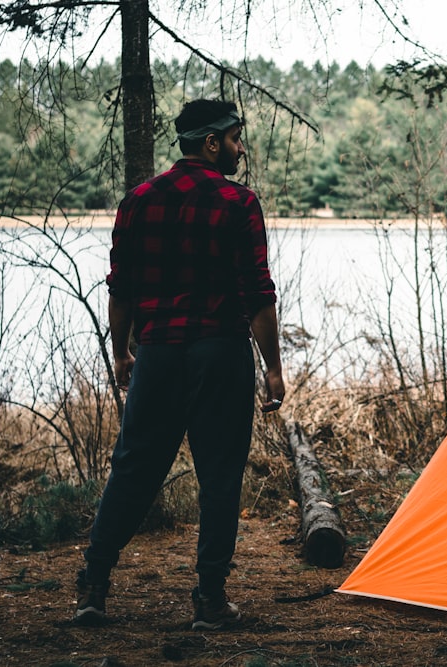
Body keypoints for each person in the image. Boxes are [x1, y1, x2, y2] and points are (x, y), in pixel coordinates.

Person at [73, 99, 285, 630]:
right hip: (219, 355)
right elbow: (258, 296)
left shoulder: (138, 201)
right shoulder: (239, 203)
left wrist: (123, 352)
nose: (241, 148)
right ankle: (210, 602)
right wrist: (274, 368)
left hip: (159, 355)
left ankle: (93, 588)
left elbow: (121, 290)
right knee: (219, 477)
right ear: (211, 143)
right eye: (236, 138)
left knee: (134, 469)